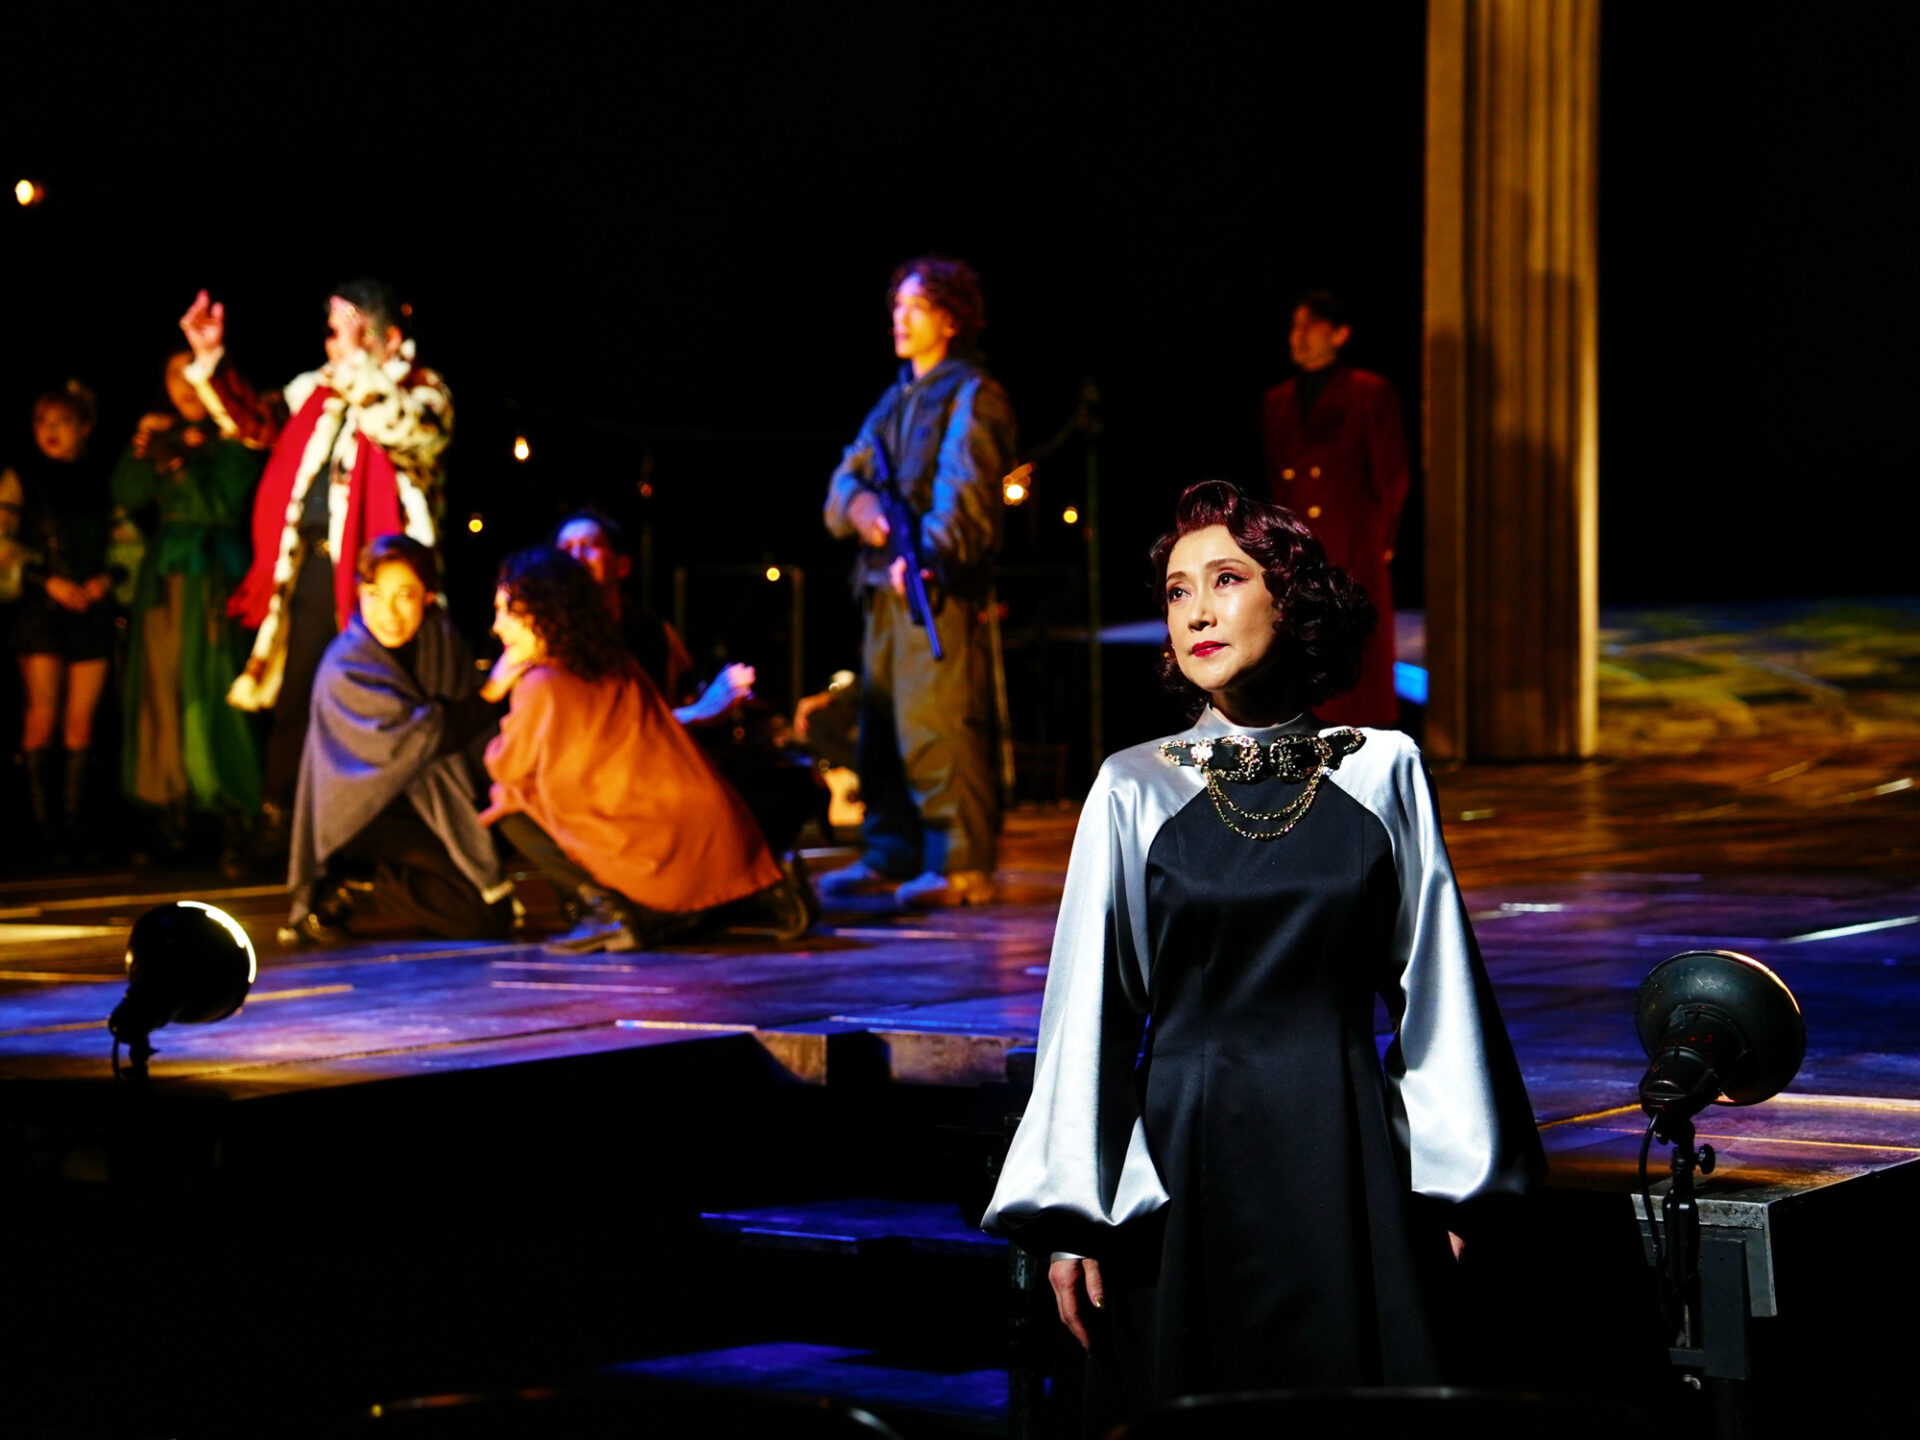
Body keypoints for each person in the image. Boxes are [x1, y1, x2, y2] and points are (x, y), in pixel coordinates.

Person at [980, 481, 1541, 1426]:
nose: (1197, 611)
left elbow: (1437, 984)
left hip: (1346, 1157)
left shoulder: (1384, 769)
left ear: (1293, 599)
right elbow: (1089, 1013)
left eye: (1227, 579)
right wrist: (1074, 1213)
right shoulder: (1131, 788)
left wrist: (1458, 1183)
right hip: (1184, 1160)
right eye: (1177, 592)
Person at [176, 279, 452, 837]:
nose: (337, 344)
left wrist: (359, 369)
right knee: (300, 694)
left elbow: (402, 431)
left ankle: (383, 827)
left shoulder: (423, 390)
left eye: (352, 331)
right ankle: (286, 821)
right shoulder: (317, 391)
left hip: (381, 581)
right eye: (333, 332)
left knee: (379, 698)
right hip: (312, 569)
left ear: (388, 338)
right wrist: (211, 361)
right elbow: (256, 422)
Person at [479, 547, 810, 953]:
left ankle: (608, 914)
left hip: (647, 846)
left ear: (545, 612)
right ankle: (760, 893)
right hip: (705, 833)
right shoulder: (617, 663)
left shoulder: (541, 684)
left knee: (508, 807)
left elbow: (507, 768)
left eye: (508, 611)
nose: (498, 626)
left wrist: (493, 689)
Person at [820, 255, 1017, 907]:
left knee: (940, 722)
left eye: (917, 307)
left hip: (936, 587)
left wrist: (928, 553)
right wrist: (864, 512)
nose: (900, 319)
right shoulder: (895, 399)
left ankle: (959, 863)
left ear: (951, 319)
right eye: (897, 306)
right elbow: (842, 485)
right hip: (882, 588)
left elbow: (965, 489)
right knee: (882, 725)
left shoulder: (971, 392)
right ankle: (891, 853)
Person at [286, 535, 509, 943]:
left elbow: (468, 733)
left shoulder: (440, 639)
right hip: (367, 814)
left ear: (428, 597)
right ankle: (355, 884)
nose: (388, 612)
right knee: (477, 919)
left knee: (495, 909)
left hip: (429, 802)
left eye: (404, 595)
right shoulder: (346, 665)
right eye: (374, 594)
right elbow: (425, 737)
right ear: (359, 595)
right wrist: (492, 691)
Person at [111, 352, 266, 857]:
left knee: (219, 682)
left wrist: (178, 462)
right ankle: (169, 803)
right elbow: (126, 493)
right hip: (166, 578)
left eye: (192, 372)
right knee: (162, 685)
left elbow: (222, 504)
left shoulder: (236, 436)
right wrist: (146, 443)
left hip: (217, 573)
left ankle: (234, 804)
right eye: (174, 374)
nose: (184, 385)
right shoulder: (162, 432)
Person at [1261, 290, 1410, 728]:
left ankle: (1366, 740)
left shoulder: (1369, 392)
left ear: (1340, 333)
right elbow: (1277, 479)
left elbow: (1392, 475)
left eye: (1311, 325)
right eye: (1295, 326)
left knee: (1356, 649)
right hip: (1301, 550)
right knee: (1304, 649)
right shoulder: (1278, 401)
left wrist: (1382, 540)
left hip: (1354, 543)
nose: (1300, 335)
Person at [1, 382, 129, 858]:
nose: (50, 431)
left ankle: (73, 831)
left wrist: (104, 581)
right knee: (41, 715)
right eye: (42, 422)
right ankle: (41, 832)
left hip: (89, 609)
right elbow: (1, 541)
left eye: (62, 422)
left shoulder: (101, 480)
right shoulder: (21, 478)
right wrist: (43, 579)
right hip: (41, 609)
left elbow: (126, 544)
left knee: (80, 723)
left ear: (85, 427)